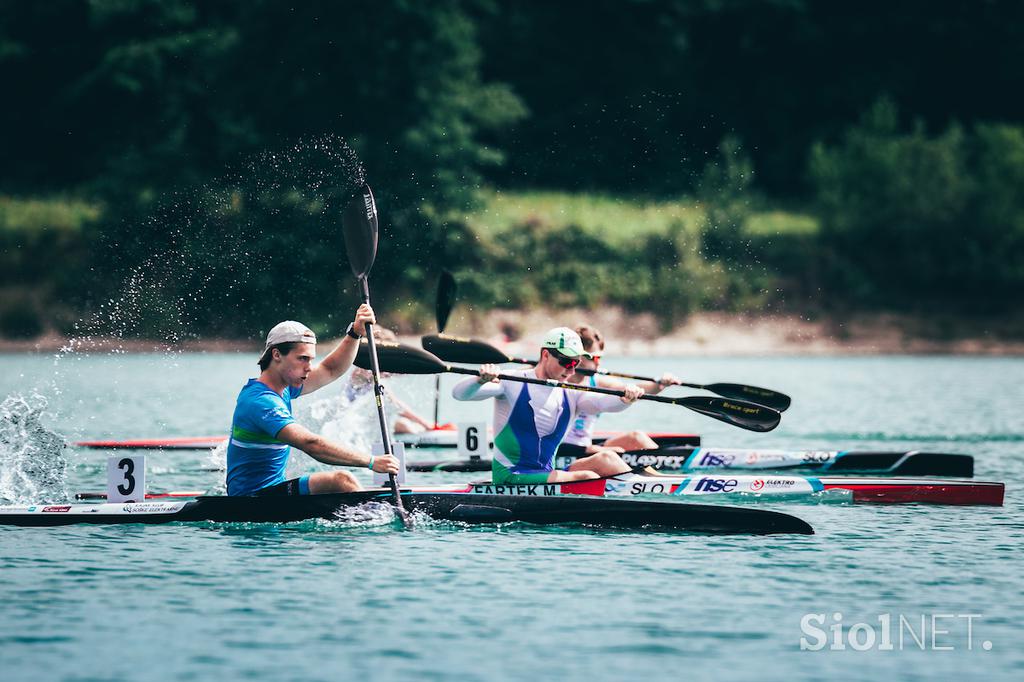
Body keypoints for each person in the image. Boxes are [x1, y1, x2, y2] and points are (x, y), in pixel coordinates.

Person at [226, 305, 400, 497]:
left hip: (275, 487)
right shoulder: (261, 402)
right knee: (342, 481)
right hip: (252, 498)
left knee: (337, 483)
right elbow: (311, 444)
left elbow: (330, 369)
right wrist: (372, 461)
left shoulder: (283, 388)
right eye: (302, 359)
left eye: (310, 360)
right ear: (276, 355)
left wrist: (355, 333)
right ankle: (374, 520)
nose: (309, 368)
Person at [452, 326, 644, 483]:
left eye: (576, 363)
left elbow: (603, 404)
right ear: (545, 355)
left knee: (607, 459)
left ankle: (643, 491)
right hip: (511, 476)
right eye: (566, 362)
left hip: (545, 474)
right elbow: (459, 394)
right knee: (587, 478)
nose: (571, 370)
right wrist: (479, 380)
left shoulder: (571, 391)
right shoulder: (512, 381)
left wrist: (624, 399)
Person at [559, 324, 681, 459]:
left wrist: (659, 384)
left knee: (637, 437)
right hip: (564, 451)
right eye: (595, 358)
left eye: (600, 358)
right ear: (579, 356)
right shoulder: (558, 380)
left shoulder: (597, 381)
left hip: (586, 448)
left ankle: (661, 471)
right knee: (613, 453)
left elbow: (632, 388)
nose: (599, 364)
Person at [344, 327, 434, 434]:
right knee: (405, 426)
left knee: (402, 422)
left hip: (368, 417)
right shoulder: (362, 371)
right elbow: (395, 403)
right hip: (354, 422)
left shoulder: (376, 372)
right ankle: (426, 427)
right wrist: (425, 424)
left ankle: (424, 427)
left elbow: (395, 373)